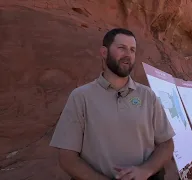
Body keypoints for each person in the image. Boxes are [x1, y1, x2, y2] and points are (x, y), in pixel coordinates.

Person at [49, 28, 175, 180]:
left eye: (132, 50)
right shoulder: (81, 97)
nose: (128, 55)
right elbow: (67, 157)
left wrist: (145, 170)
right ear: (104, 52)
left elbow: (166, 144)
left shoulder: (148, 96)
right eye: (121, 48)